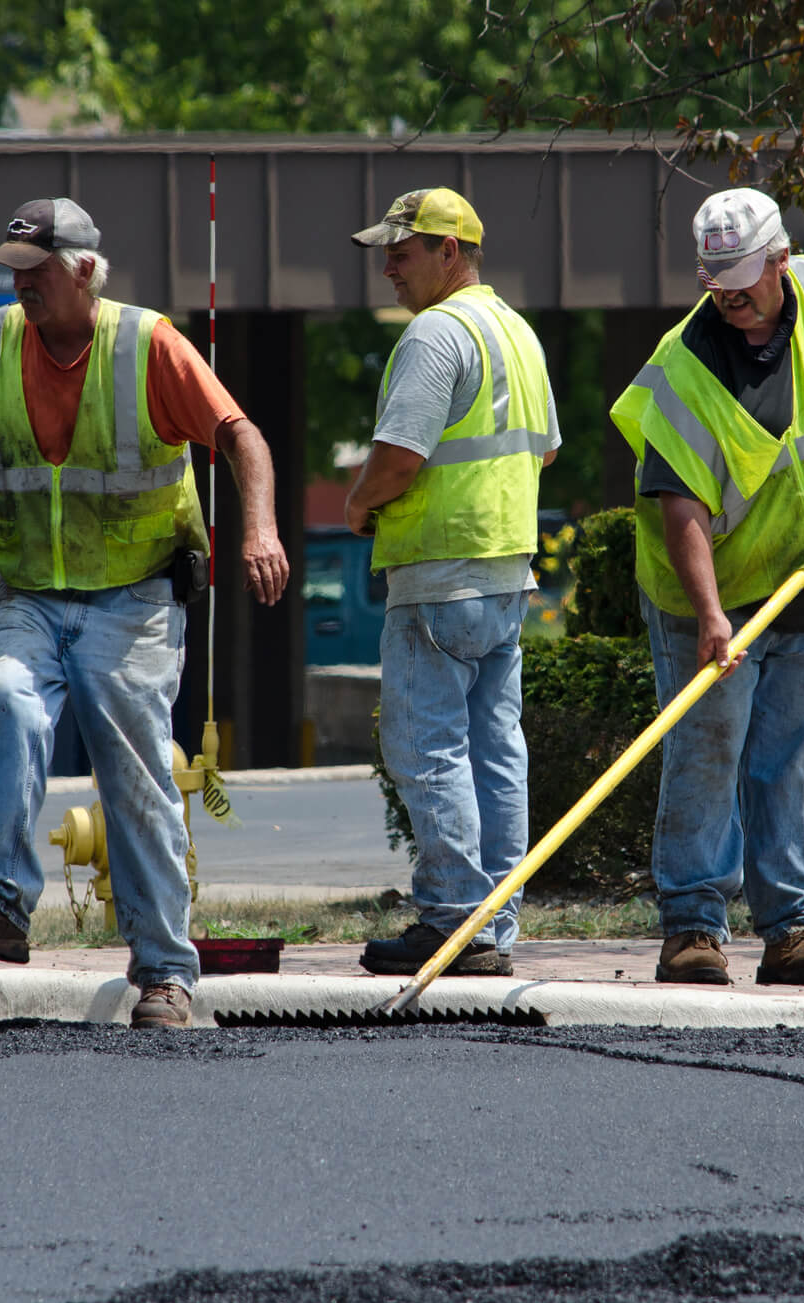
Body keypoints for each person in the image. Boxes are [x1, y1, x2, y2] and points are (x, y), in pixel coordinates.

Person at [0, 197, 289, 1029]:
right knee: (5, 694)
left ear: (83, 270)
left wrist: (258, 527)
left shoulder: (146, 342)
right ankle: (2, 905)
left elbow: (240, 434)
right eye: (12, 274)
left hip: (135, 600)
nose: (21, 289)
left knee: (138, 775)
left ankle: (164, 975)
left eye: (35, 273)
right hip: (33, 598)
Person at [610, 186, 804, 988]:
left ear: (782, 260)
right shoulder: (687, 369)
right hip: (706, 596)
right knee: (707, 754)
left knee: (787, 756)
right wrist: (713, 616)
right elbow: (680, 506)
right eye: (715, 282)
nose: (730, 296)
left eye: (744, 279)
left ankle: (793, 928)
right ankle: (692, 928)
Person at [344, 187, 560, 977]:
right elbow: (544, 452)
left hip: (439, 573)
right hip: (504, 572)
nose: (389, 271)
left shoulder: (436, 336)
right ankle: (493, 927)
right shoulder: (516, 331)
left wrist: (359, 503)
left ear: (450, 251)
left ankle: (450, 918)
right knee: (497, 751)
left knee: (427, 746)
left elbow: (400, 456)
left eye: (402, 254)